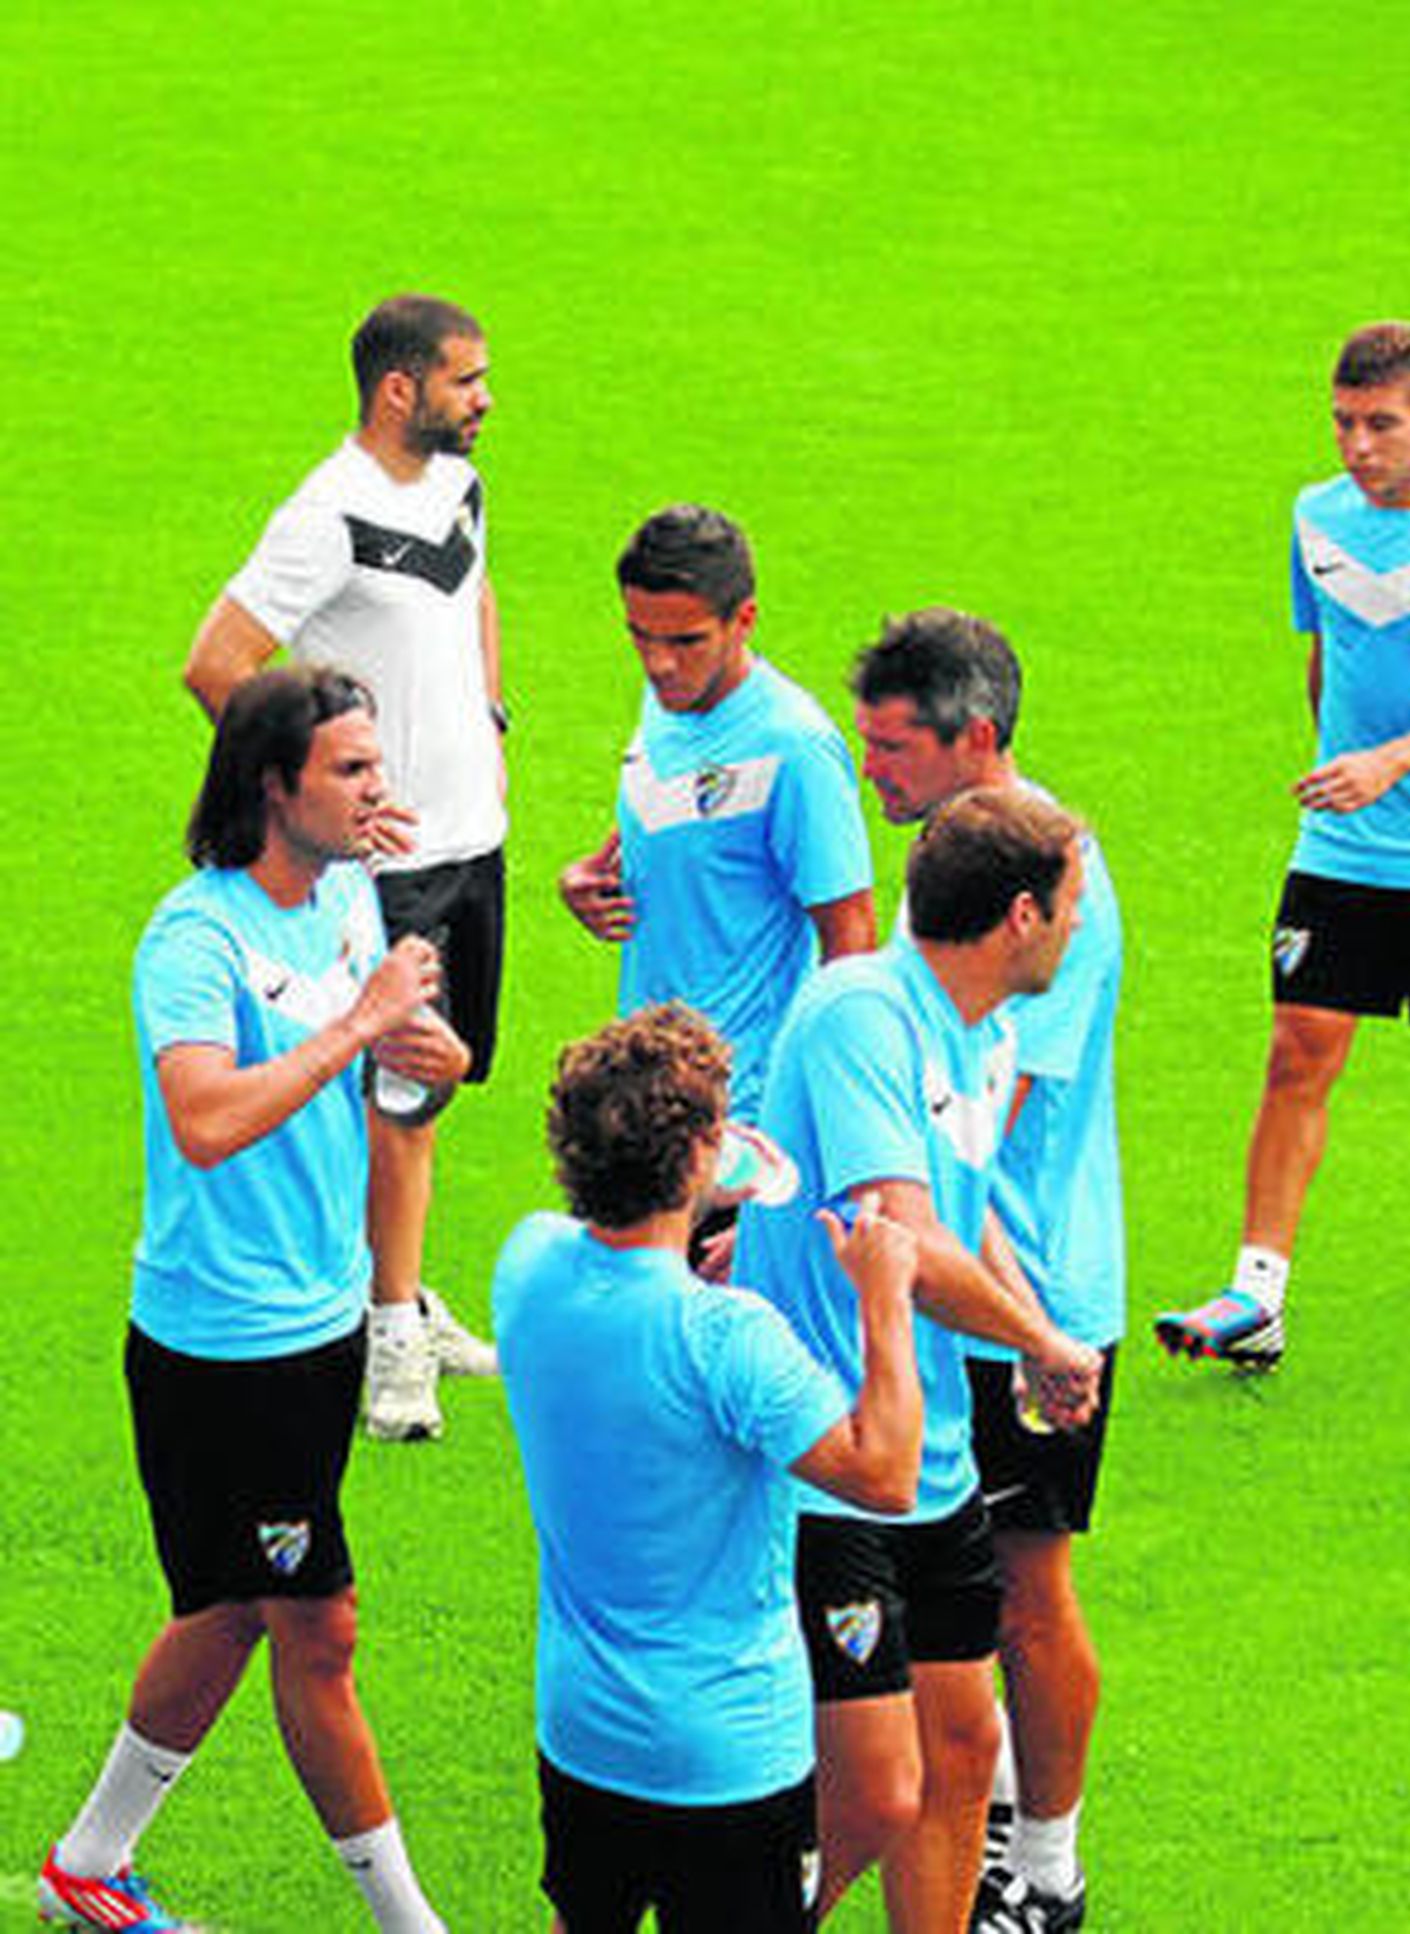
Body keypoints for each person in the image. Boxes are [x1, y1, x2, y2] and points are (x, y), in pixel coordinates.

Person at [40, 668, 465, 1932]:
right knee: (314, 1626)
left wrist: (418, 1063)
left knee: (225, 1610)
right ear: (271, 786)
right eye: (349, 769)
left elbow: (377, 1085)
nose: (377, 788)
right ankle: (412, 1924)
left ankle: (86, 1862)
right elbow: (207, 1118)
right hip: (223, 1346)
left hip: (316, 1321)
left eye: (375, 763)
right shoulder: (196, 938)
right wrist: (361, 1024)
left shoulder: (344, 891)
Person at [1156, 321, 1410, 1369]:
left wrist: (1387, 762)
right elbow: (1325, 655)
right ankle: (1257, 1293)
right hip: (1344, 844)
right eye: (1341, 421)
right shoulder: (1314, 516)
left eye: (1379, 424)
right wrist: (1342, 772)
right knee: (1299, 1046)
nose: (1356, 446)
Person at [736, 788, 1104, 1934]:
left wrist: (1030, 1322)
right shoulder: (863, 1013)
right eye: (1073, 906)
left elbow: (963, 1198)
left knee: (958, 1745)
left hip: (929, 1449)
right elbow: (900, 1230)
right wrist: (1039, 1338)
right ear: (1019, 916)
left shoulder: (981, 1029)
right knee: (865, 1786)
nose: (1084, 926)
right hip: (829, 1462)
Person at [493, 1004, 924, 1933]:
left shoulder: (524, 1263)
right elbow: (886, 1476)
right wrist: (885, 1301)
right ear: (695, 1159)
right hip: (728, 1755)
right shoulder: (729, 1340)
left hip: (582, 1731)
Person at [183, 292, 506, 1443]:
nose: (484, 399)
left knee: (439, 1081)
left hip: (474, 838)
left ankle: (401, 1284)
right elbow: (218, 661)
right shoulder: (327, 516)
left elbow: (475, 591)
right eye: (466, 380)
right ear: (398, 390)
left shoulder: (456, 485)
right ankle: (389, 1343)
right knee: (402, 1095)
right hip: (399, 866)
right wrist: (332, 802)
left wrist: (491, 713)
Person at [851, 609, 1124, 1933]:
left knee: (1027, 1582)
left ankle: (1048, 1868)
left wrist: (1026, 1324)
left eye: (897, 748)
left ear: (978, 739)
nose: (875, 772)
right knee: (951, 1585)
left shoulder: (1054, 879)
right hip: (958, 1284)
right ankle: (986, 1817)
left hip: (1028, 1290)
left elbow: (984, 1112)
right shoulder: (945, 870)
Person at [559, 504, 878, 1126]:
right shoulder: (666, 703)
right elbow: (680, 841)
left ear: (744, 621)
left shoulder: (794, 746)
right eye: (640, 635)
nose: (658, 663)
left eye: (685, 641)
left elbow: (852, 936)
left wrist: (815, 1106)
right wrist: (585, 885)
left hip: (739, 1116)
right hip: (643, 1095)